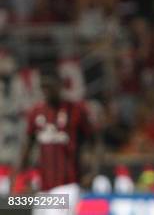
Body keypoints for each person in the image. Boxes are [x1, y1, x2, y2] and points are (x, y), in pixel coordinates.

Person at [12, 72, 101, 215]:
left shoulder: (76, 110)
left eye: (49, 86)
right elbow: (28, 146)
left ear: (59, 86)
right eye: (43, 87)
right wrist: (21, 177)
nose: (45, 91)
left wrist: (93, 171)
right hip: (44, 187)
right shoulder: (36, 112)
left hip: (68, 185)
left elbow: (94, 141)